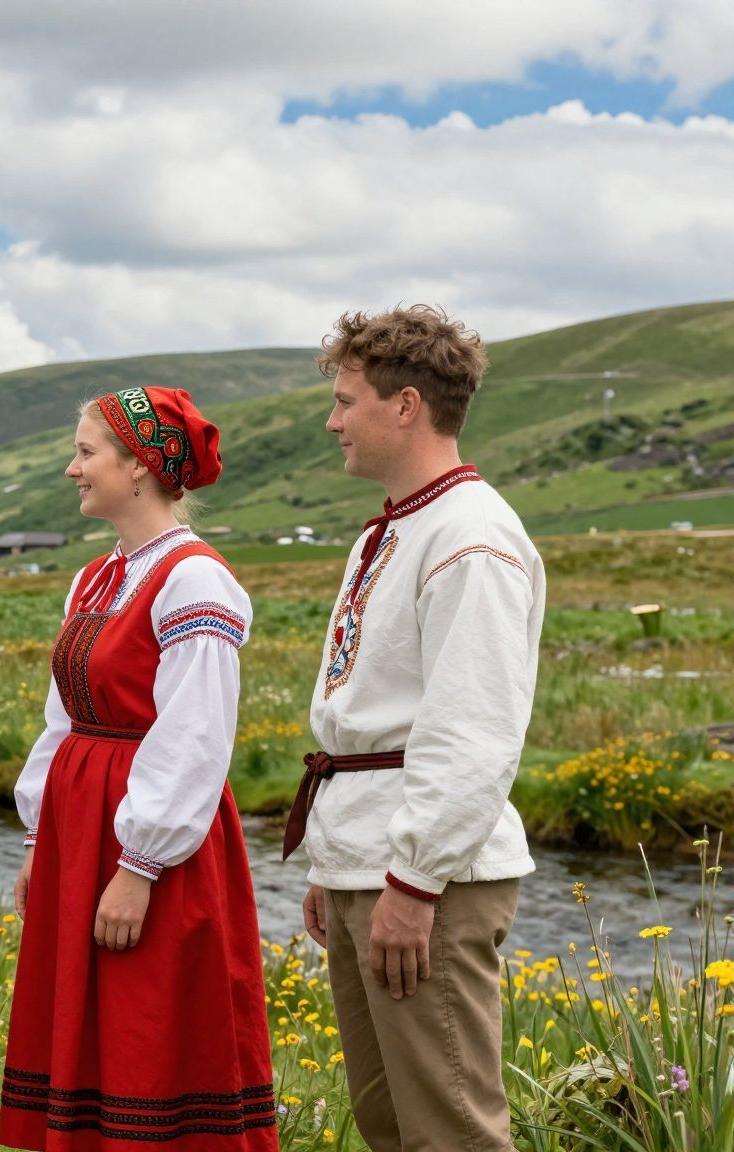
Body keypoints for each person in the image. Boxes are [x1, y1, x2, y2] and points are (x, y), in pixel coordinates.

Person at [288, 305, 543, 1151]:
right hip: (372, 857)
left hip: (426, 877)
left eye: (345, 401)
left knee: (451, 1130)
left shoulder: (471, 538)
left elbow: (474, 727)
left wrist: (416, 880)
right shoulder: (403, 525)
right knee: (390, 1123)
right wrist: (336, 861)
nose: (333, 422)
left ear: (405, 406)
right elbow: (369, 716)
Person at [0, 387, 276, 1150]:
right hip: (80, 826)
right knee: (86, 1021)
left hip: (148, 841)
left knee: (147, 1021)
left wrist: (140, 864)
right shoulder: (95, 577)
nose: (72, 469)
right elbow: (63, 717)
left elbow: (194, 736)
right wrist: (38, 840)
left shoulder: (194, 579)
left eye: (86, 452)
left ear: (141, 466)